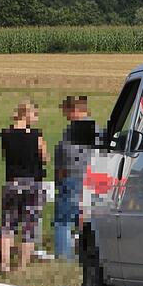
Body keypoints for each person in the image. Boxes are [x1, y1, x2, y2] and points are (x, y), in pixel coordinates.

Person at [0, 101, 47, 272]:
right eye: (35, 115)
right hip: (33, 183)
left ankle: (4, 263)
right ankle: (22, 267)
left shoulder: (6, 134)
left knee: (7, 225)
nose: (36, 119)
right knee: (30, 226)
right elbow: (45, 157)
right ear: (26, 115)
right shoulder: (36, 135)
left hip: (12, 182)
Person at [54, 95, 96, 261]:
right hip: (89, 180)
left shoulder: (77, 130)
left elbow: (67, 156)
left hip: (74, 179)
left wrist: (61, 175)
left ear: (77, 110)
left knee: (63, 221)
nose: (66, 116)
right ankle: (84, 255)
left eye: (67, 112)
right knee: (84, 218)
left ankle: (64, 256)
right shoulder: (94, 128)